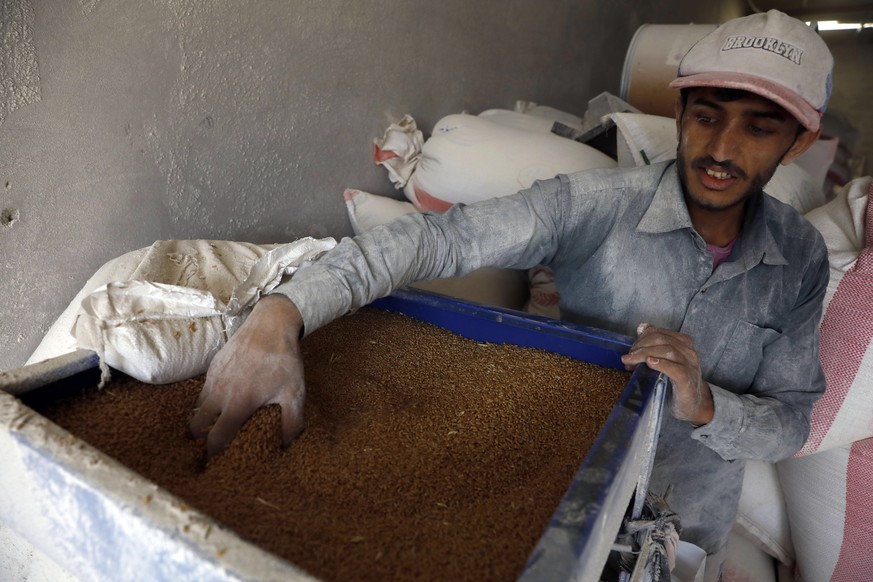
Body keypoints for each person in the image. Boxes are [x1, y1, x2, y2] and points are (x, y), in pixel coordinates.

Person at [190, 10, 832, 579]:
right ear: (681, 112)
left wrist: (704, 404)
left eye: (758, 129)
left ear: (799, 142)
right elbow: (440, 241)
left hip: (689, 526)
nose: (721, 150)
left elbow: (789, 421)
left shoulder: (799, 258)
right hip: (558, 496)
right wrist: (284, 311)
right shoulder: (596, 206)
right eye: (707, 117)